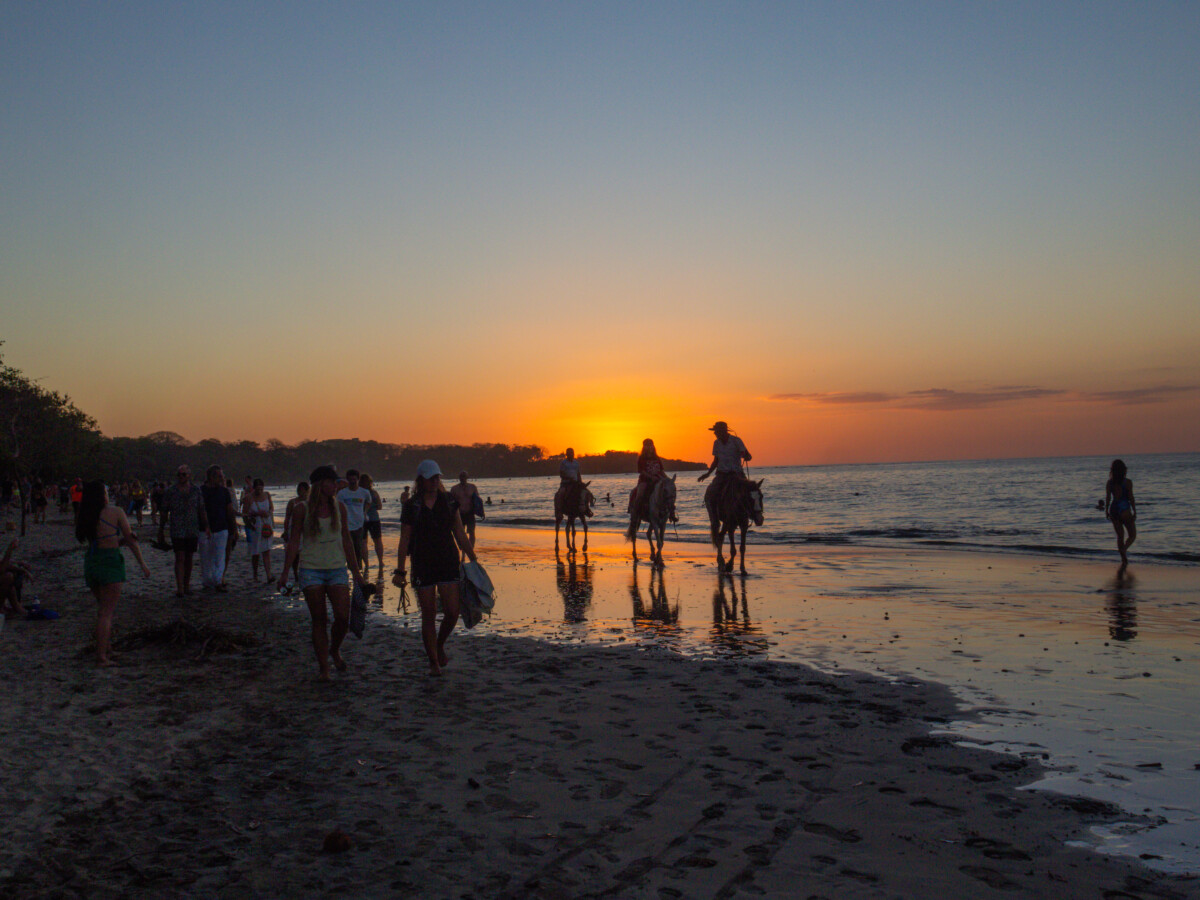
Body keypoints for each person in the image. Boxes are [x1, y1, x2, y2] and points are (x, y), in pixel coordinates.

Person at [277, 465, 366, 680]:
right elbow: (294, 541)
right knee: (319, 620)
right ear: (320, 484)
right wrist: (285, 573)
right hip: (311, 570)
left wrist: (356, 572)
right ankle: (324, 667)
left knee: (343, 618)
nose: (336, 486)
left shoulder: (340, 508)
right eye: (332, 482)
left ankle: (334, 649)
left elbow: (346, 540)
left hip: (337, 569)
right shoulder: (302, 509)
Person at [392, 460, 476, 676]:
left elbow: (459, 532)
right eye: (431, 478)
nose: (435, 481)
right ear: (421, 480)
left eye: (437, 477)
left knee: (452, 611)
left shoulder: (449, 501)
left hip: (448, 560)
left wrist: (474, 561)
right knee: (428, 614)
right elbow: (404, 539)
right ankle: (433, 662)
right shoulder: (412, 505)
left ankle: (439, 644)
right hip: (422, 563)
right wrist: (400, 570)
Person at [77, 481, 151, 667]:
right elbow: (130, 539)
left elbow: (105, 540)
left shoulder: (86, 515)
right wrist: (142, 564)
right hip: (109, 564)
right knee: (106, 613)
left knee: (103, 609)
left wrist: (122, 542)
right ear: (102, 495)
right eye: (105, 491)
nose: (108, 494)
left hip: (92, 564)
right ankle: (101, 657)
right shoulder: (116, 512)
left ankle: (106, 648)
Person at [158, 465, 209, 597]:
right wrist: (161, 529)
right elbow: (164, 511)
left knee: (189, 558)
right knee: (179, 556)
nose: (181, 477)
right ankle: (180, 587)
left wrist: (207, 526)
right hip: (177, 528)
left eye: (184, 474)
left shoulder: (196, 491)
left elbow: (202, 510)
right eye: (179, 475)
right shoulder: (171, 491)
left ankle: (186, 585)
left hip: (192, 528)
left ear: (189, 475)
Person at [698, 421, 753, 532]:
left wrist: (745, 455)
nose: (715, 434)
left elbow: (746, 455)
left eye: (717, 432)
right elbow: (716, 461)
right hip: (722, 474)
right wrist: (708, 474)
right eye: (715, 432)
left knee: (751, 492)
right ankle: (714, 520)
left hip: (737, 473)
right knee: (710, 493)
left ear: (723, 431)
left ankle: (751, 516)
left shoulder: (736, 441)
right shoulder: (716, 443)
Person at [199, 465, 238, 592]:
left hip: (222, 528)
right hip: (204, 529)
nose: (222, 479)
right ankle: (208, 581)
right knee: (206, 557)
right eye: (220, 476)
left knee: (219, 557)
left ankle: (218, 581)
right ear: (212, 477)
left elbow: (229, 511)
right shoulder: (201, 491)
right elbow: (199, 510)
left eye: (222, 476)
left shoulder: (224, 491)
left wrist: (233, 529)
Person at [336, 469, 371, 574]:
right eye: (350, 480)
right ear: (347, 480)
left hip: (359, 524)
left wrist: (364, 512)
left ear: (358, 479)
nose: (352, 482)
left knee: (358, 547)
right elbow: (338, 507)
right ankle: (349, 568)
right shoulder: (342, 493)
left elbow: (369, 502)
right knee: (347, 548)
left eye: (354, 480)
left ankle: (358, 570)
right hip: (346, 525)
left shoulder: (364, 492)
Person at [1105, 459, 1137, 569]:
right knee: (1132, 535)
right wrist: (1134, 511)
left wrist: (1106, 510)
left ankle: (1124, 559)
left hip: (1114, 508)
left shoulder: (1109, 483)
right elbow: (1131, 498)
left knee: (1120, 536)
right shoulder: (1127, 482)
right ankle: (1124, 549)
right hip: (1124, 509)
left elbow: (1108, 498)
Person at [242, 478, 275, 582]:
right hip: (255, 526)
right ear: (254, 488)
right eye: (258, 489)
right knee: (255, 552)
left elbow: (271, 508)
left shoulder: (267, 495)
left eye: (261, 489)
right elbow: (244, 514)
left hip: (266, 524)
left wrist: (268, 514)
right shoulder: (249, 498)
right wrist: (254, 517)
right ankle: (255, 575)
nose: (260, 491)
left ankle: (269, 575)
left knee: (266, 550)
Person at [280, 481, 309, 590]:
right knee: (294, 553)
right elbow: (287, 517)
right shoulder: (292, 502)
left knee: (304, 553)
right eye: (299, 490)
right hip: (294, 529)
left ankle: (302, 573)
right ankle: (296, 574)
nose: (301, 492)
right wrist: (286, 530)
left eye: (303, 490)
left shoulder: (310, 502)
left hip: (305, 531)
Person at [629, 438, 666, 517]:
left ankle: (670, 513)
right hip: (645, 481)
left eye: (651, 445)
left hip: (657, 480)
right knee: (640, 493)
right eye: (647, 445)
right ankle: (635, 515)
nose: (649, 447)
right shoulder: (642, 458)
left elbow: (661, 471)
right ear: (644, 447)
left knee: (668, 493)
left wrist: (667, 479)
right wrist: (651, 477)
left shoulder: (657, 458)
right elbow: (641, 471)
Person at [449, 471, 482, 552]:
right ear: (459, 478)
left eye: (464, 476)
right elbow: (450, 503)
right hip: (459, 514)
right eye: (461, 476)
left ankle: (471, 550)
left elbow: (478, 500)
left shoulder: (472, 487)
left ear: (467, 477)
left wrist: (481, 512)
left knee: (471, 532)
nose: (462, 478)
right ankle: (463, 551)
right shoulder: (454, 489)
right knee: (460, 534)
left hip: (470, 513)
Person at [359, 473, 384, 570]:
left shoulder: (359, 493)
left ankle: (366, 564)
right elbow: (380, 506)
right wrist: (373, 507)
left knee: (363, 542)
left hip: (361, 519)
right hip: (374, 518)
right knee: (377, 541)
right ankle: (381, 562)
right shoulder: (373, 493)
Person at [554, 448, 582, 522]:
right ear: (567, 454)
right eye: (569, 453)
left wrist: (581, 482)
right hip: (565, 484)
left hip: (575, 484)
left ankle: (584, 510)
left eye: (572, 453)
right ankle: (559, 511)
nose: (571, 455)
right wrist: (569, 479)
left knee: (585, 493)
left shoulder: (576, 463)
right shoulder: (563, 463)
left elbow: (578, 474)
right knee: (561, 494)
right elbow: (561, 474)